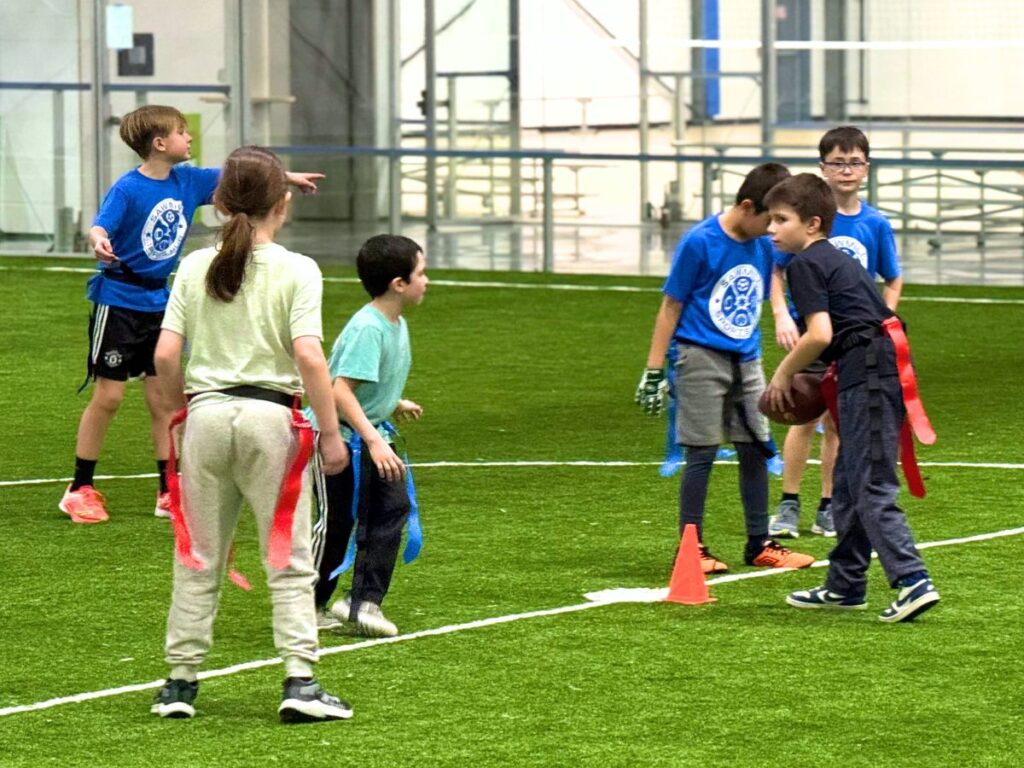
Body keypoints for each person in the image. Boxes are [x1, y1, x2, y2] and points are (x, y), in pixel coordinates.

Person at [151, 146, 353, 721]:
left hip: (206, 418)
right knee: (287, 559)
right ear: (282, 204)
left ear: (217, 203)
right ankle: (300, 681)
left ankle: (179, 683)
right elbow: (310, 358)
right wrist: (332, 435)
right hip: (273, 422)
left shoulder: (194, 266)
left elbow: (167, 353)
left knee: (197, 554)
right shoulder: (298, 269)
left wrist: (176, 412)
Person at [60, 105, 322, 524]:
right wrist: (98, 239)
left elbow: (240, 178)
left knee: (163, 401)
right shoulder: (127, 189)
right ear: (160, 144)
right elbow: (100, 226)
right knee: (108, 397)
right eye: (183, 132)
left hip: (156, 302)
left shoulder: (188, 179)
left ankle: (168, 490)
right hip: (119, 301)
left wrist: (285, 179)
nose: (190, 138)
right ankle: (80, 488)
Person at [764, 173, 939, 623]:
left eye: (781, 219)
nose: (771, 228)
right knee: (846, 479)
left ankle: (912, 579)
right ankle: (845, 584)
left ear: (812, 223)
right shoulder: (832, 258)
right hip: (873, 366)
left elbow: (819, 334)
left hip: (872, 371)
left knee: (871, 481)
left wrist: (783, 373)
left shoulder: (804, 265)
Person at [636, 163, 814, 575]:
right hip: (699, 356)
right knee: (701, 452)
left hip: (746, 357)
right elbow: (671, 305)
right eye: (770, 220)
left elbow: (771, 274)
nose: (774, 230)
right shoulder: (700, 242)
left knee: (754, 445)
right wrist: (654, 368)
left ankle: (759, 543)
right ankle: (691, 547)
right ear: (748, 207)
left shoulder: (763, 242)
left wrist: (779, 310)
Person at [768, 125, 904, 540]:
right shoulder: (802, 220)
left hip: (848, 338)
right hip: (811, 331)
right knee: (802, 412)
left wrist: (881, 320)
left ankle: (829, 503)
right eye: (837, 162)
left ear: (867, 167)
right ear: (823, 167)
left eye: (855, 162)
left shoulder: (874, 223)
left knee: (837, 419)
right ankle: (789, 501)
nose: (846, 170)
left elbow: (892, 278)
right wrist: (781, 315)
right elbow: (775, 268)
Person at [312, 234, 428, 638]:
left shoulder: (394, 324)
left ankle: (362, 602)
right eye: (421, 272)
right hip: (339, 438)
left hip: (368, 430)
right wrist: (375, 439)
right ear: (399, 283)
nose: (426, 280)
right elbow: (338, 389)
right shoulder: (369, 328)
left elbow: (362, 383)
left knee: (392, 510)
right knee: (338, 524)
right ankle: (307, 604)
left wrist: (393, 402)